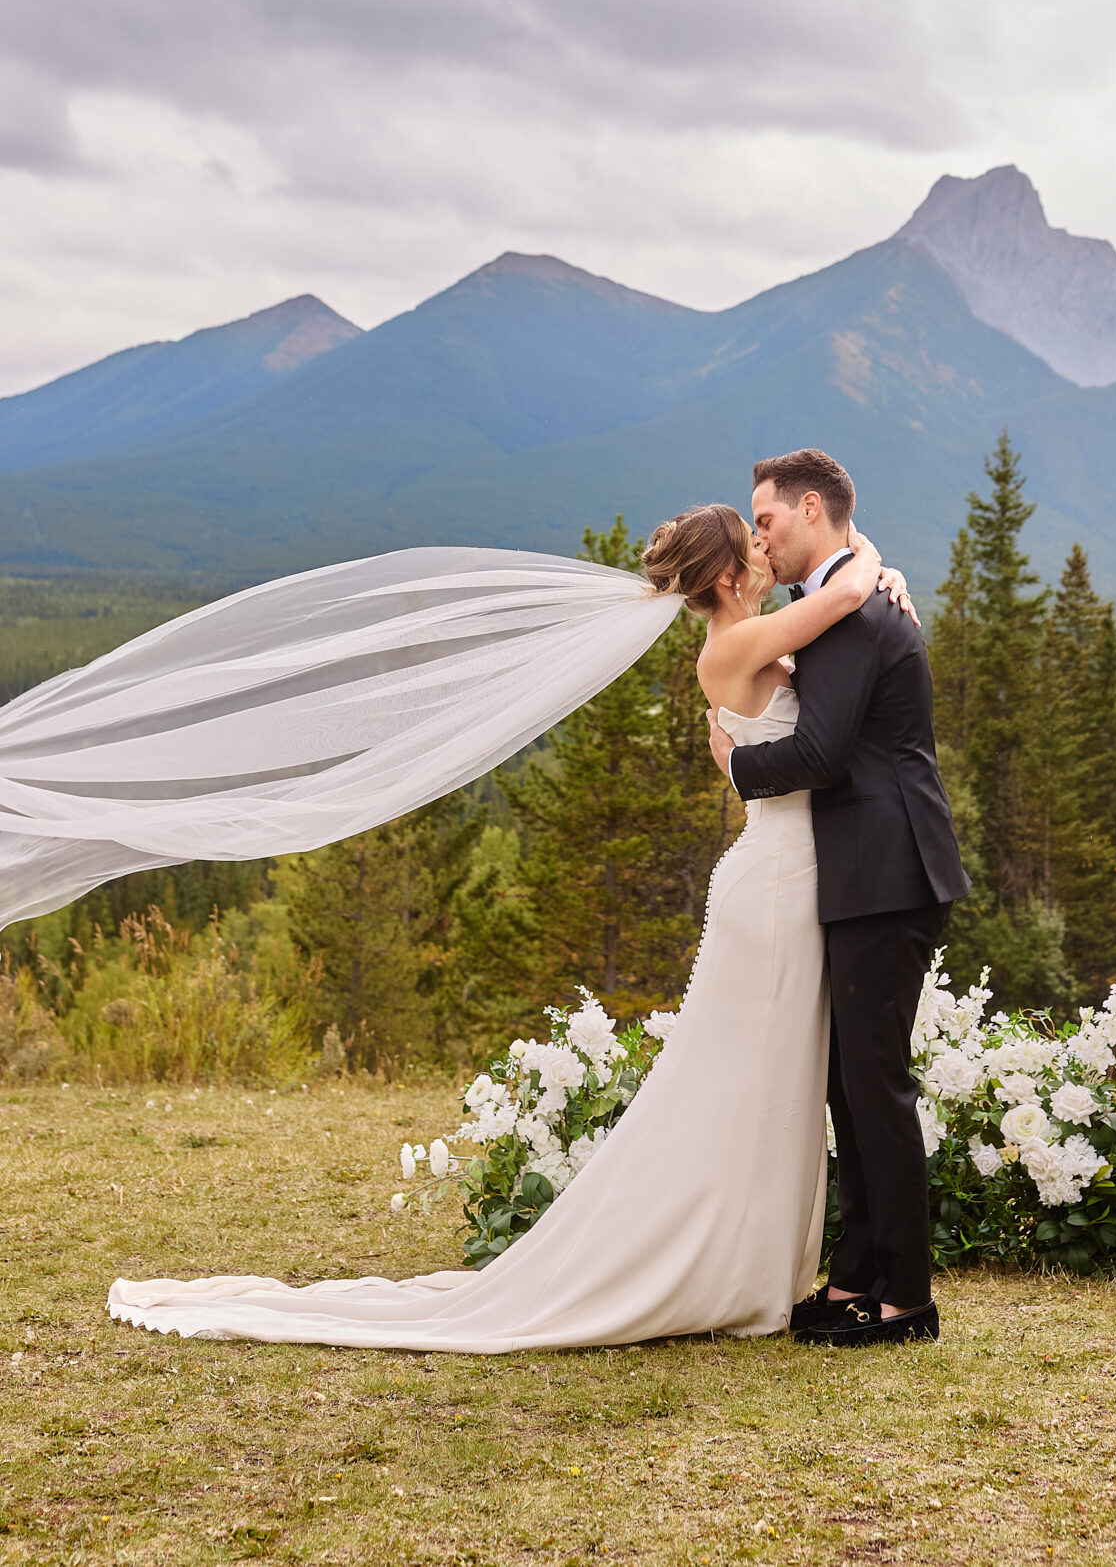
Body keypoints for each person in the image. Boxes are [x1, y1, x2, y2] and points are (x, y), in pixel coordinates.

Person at [105, 505, 917, 1352]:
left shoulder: (749, 637)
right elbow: (843, 594)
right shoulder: (734, 644)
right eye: (750, 542)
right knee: (755, 1079)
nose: (763, 549)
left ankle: (763, 1259)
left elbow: (826, 640)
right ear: (722, 577)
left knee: (763, 1078)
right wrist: (870, 560)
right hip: (777, 885)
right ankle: (729, 1263)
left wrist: (864, 578)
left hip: (787, 876)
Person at [708, 448, 970, 1350]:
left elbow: (819, 754)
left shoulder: (857, 620)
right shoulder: (843, 601)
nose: (759, 538)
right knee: (847, 1084)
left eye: (768, 519)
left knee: (874, 1083)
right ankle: (859, 1273)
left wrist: (738, 764)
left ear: (810, 507)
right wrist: (870, 562)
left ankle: (906, 1298)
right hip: (863, 871)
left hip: (889, 872)